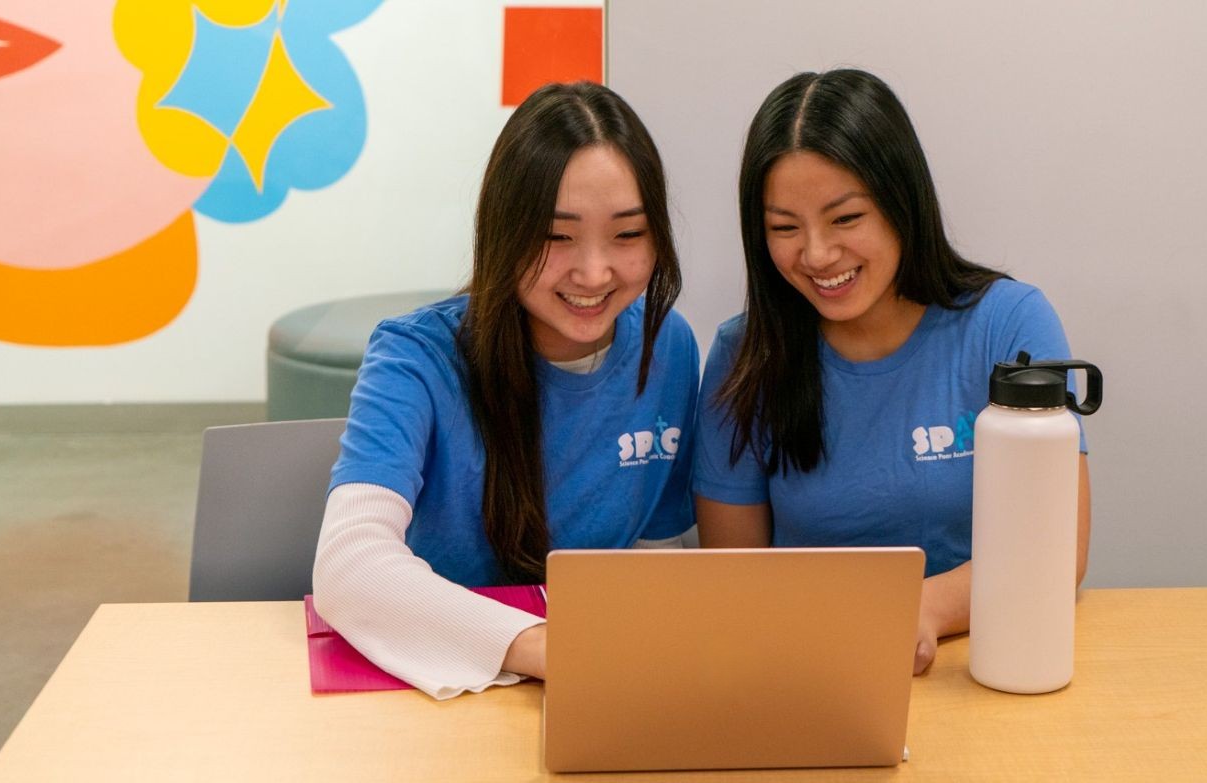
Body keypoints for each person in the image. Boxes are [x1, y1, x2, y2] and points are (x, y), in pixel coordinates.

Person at [693, 69, 1091, 675]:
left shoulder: (1009, 326)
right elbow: (734, 583)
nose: (818, 254)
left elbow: (1057, 551)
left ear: (901, 201)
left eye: (846, 218)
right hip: (816, 674)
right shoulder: (744, 359)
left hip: (992, 665)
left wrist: (923, 610)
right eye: (784, 228)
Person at [313, 82, 697, 699]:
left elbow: (661, 550)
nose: (594, 272)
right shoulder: (416, 356)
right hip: (446, 692)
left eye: (628, 235)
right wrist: (544, 647)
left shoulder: (668, 345)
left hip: (598, 689)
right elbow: (348, 565)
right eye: (556, 236)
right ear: (503, 230)